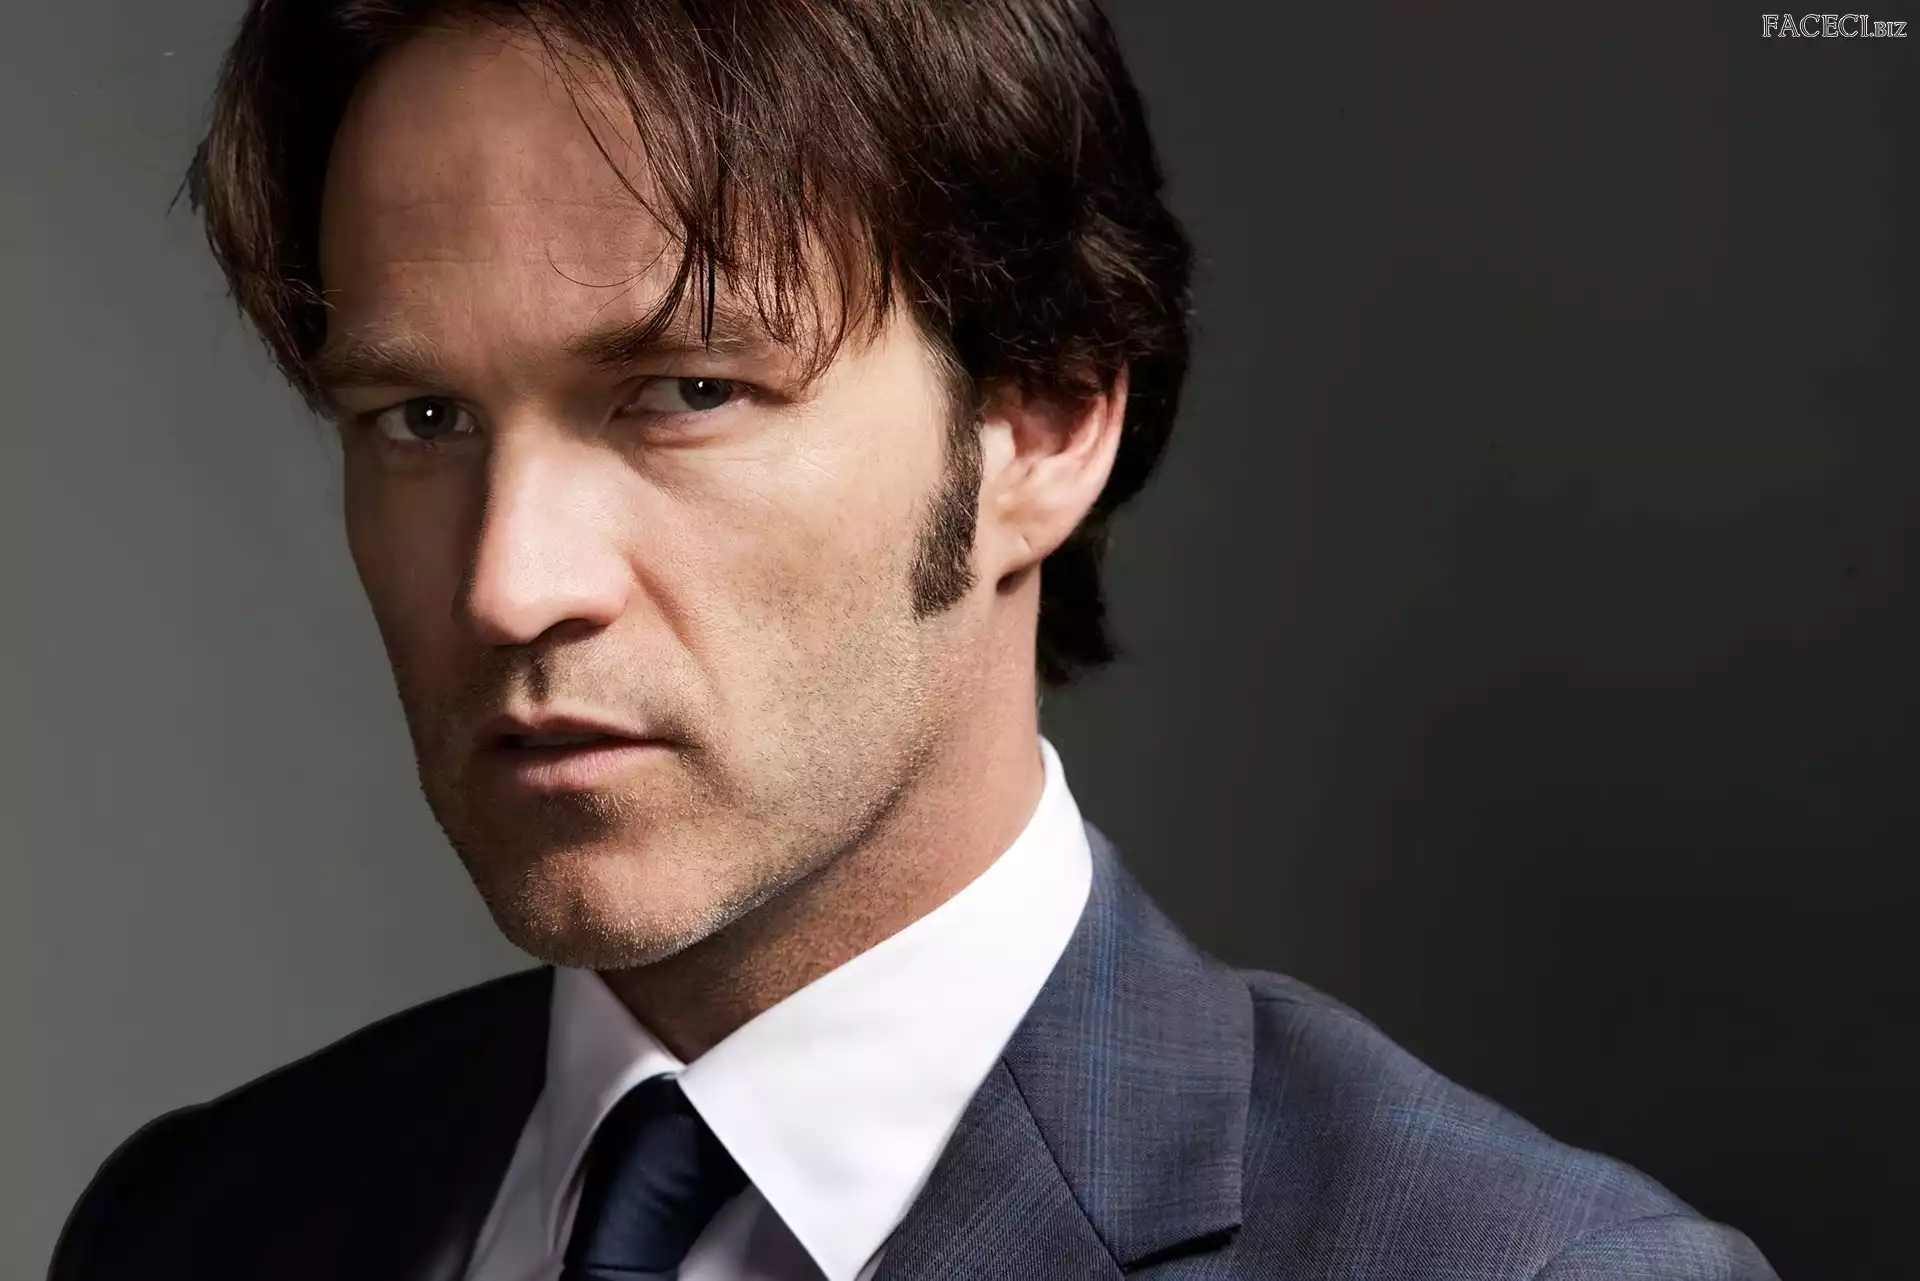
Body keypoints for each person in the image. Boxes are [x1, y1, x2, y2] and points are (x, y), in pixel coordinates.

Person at [50, 2, 1778, 1279]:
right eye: (420, 418)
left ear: (1045, 424)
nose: (510, 585)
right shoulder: (193, 1226)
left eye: (688, 392)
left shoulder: (1528, 1268)